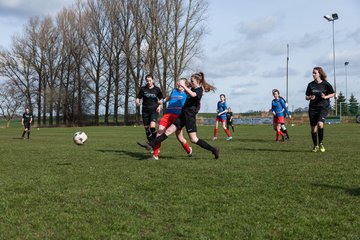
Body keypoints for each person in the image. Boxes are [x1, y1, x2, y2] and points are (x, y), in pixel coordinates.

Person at [138, 72, 219, 159]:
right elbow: (187, 90)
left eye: (192, 81)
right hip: (182, 116)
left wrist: (184, 86)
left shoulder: (198, 90)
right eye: (191, 81)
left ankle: (214, 149)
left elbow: (193, 94)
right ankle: (150, 144)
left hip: (189, 117)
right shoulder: (192, 88)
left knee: (193, 139)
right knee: (167, 131)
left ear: (197, 81)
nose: (191, 82)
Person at [149, 78, 192, 160]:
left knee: (180, 138)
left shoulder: (187, 94)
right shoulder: (174, 90)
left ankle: (188, 150)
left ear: (185, 85)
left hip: (178, 117)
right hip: (167, 115)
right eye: (179, 82)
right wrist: (160, 104)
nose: (179, 84)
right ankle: (155, 155)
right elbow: (168, 98)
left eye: (181, 83)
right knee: (159, 134)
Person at [305, 66, 335, 152]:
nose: (313, 74)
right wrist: (310, 97)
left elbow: (333, 94)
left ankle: (321, 143)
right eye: (313, 73)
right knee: (313, 129)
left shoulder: (326, 84)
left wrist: (325, 97)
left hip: (323, 107)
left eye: (315, 73)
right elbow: (306, 97)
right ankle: (315, 145)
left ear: (319, 74)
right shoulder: (310, 84)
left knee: (320, 124)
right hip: (313, 108)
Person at [135, 74, 164, 143]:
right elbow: (138, 97)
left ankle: (156, 142)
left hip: (154, 110)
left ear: (153, 80)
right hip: (145, 110)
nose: (149, 82)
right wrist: (137, 102)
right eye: (147, 81)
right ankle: (152, 144)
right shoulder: (143, 89)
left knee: (152, 127)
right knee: (147, 129)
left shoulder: (157, 89)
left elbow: (161, 99)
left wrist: (159, 106)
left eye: (150, 81)